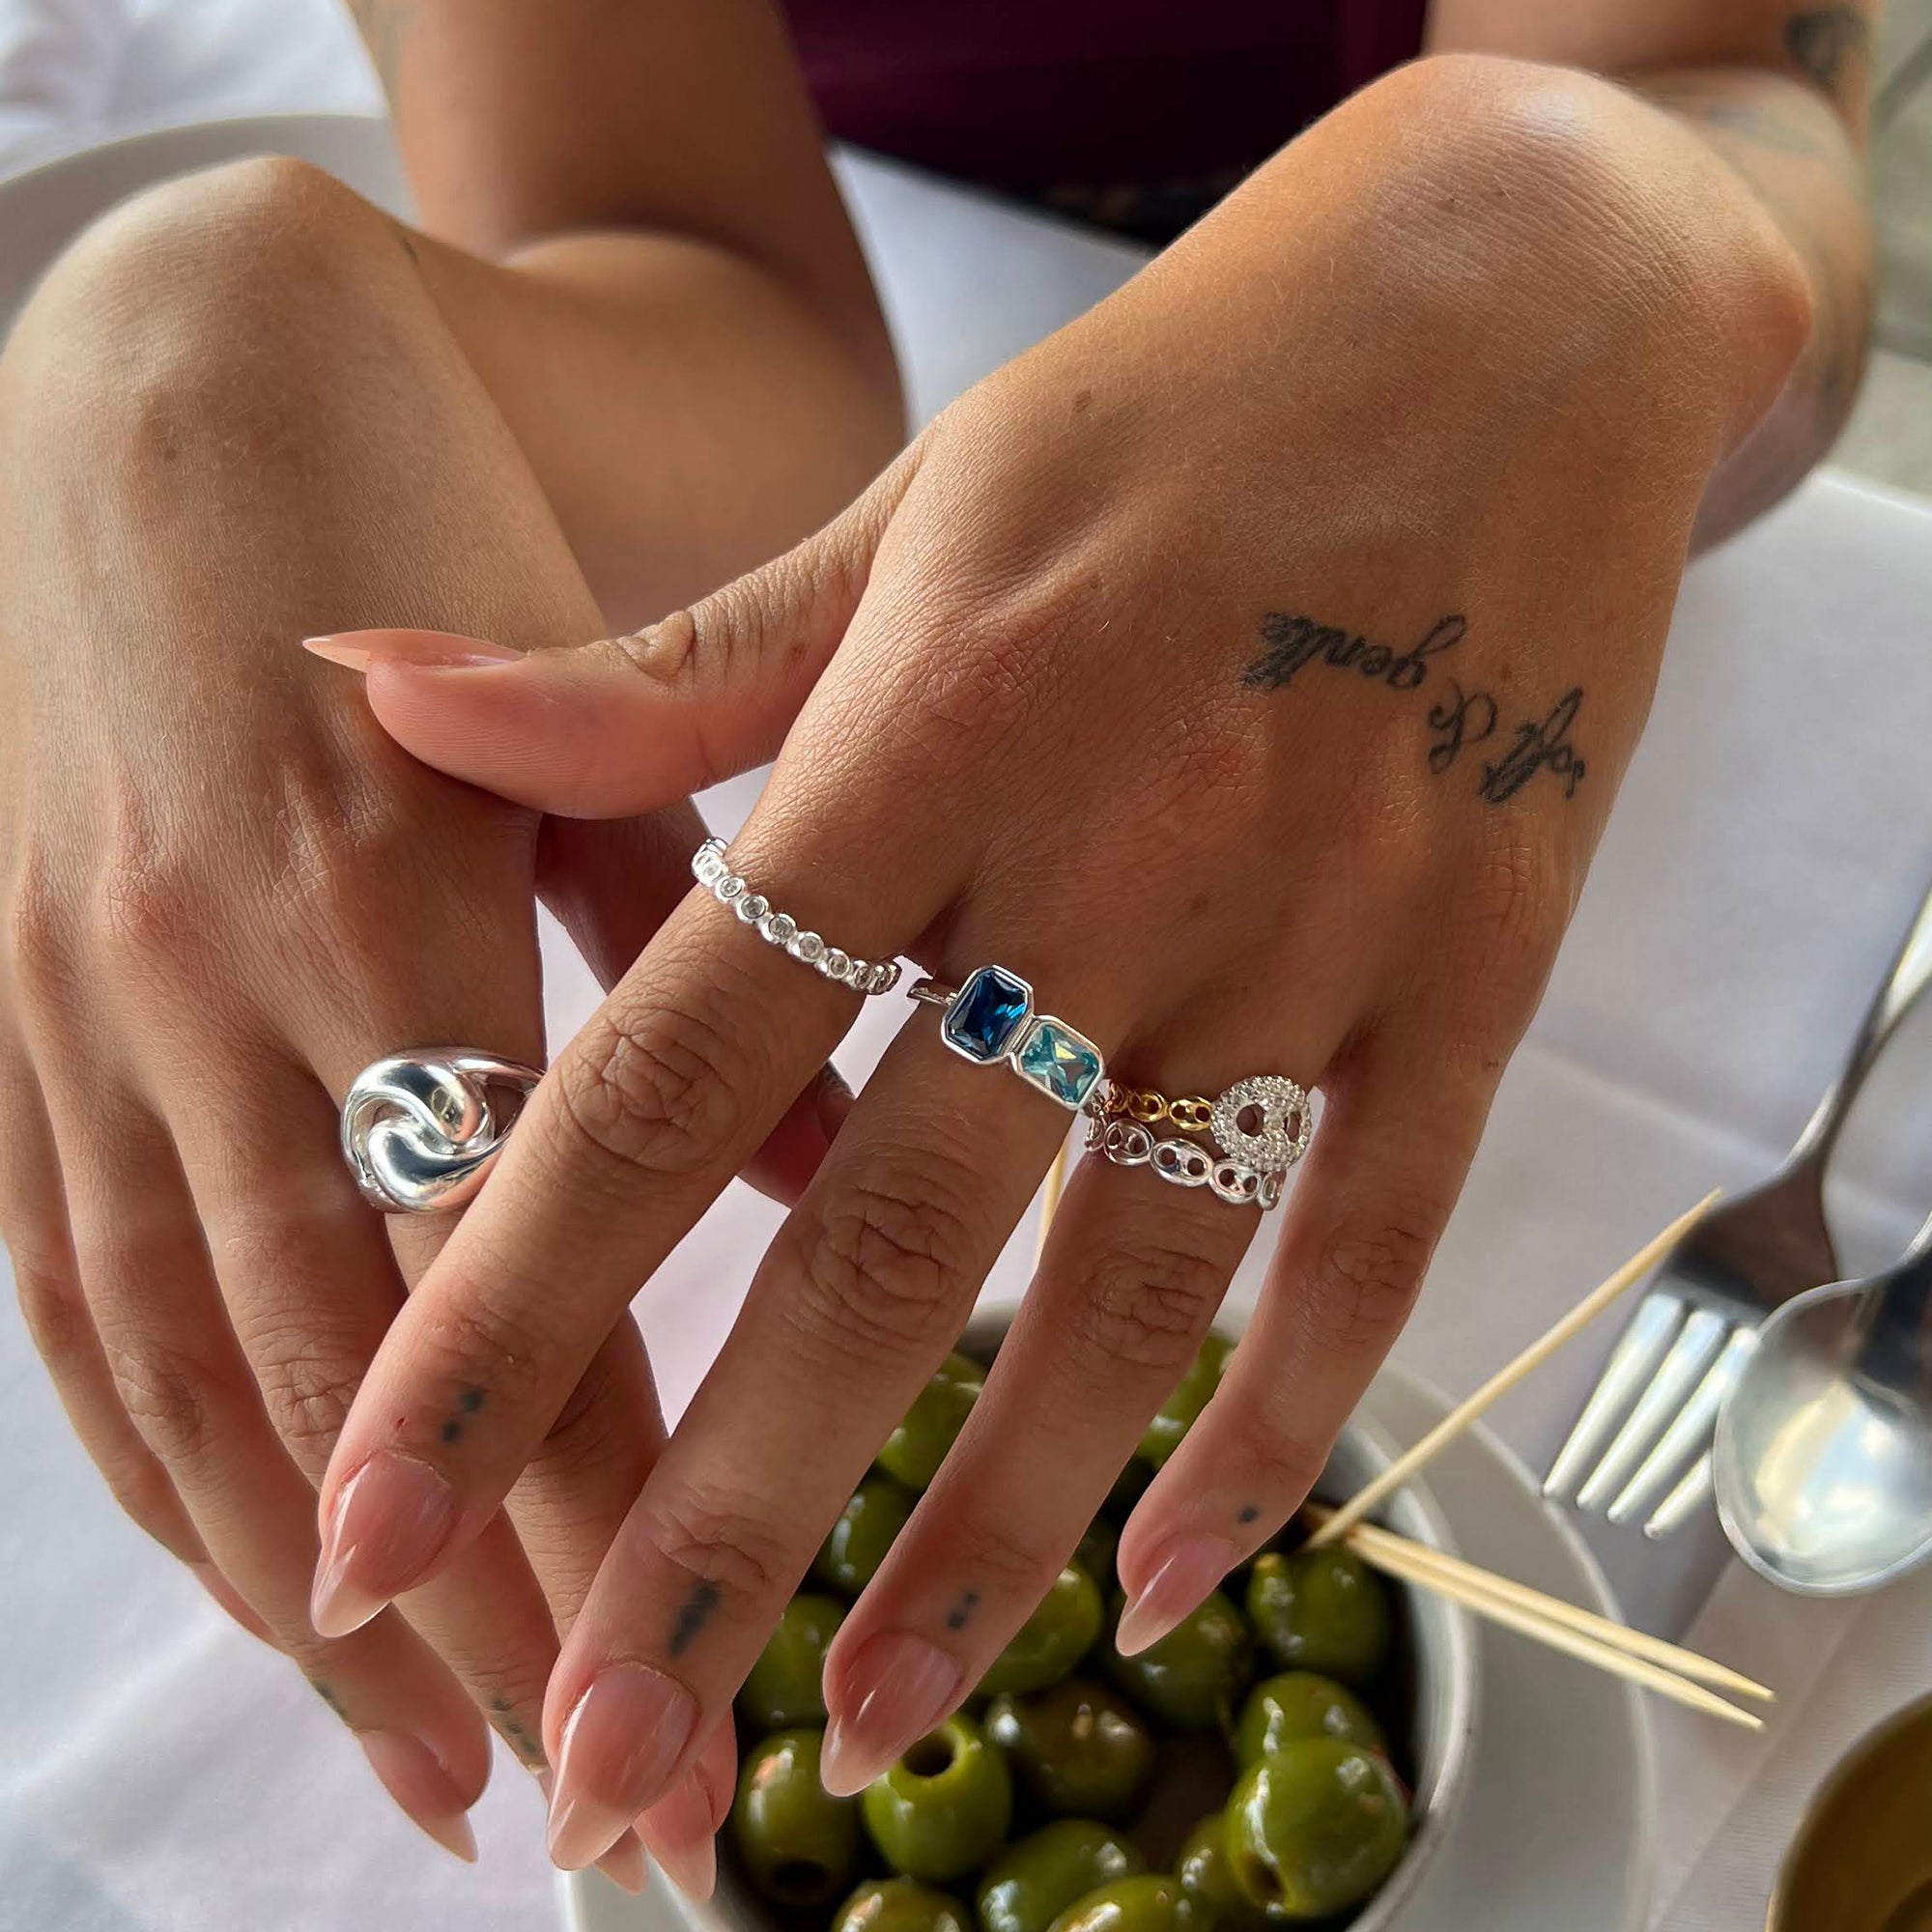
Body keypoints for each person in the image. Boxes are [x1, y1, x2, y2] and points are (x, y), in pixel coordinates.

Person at [0, 0, 1877, 1894]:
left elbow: (1738, 99)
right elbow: (705, 295)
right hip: (979, 539)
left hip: (1544, 635)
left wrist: (1597, 206)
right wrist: (198, 313)